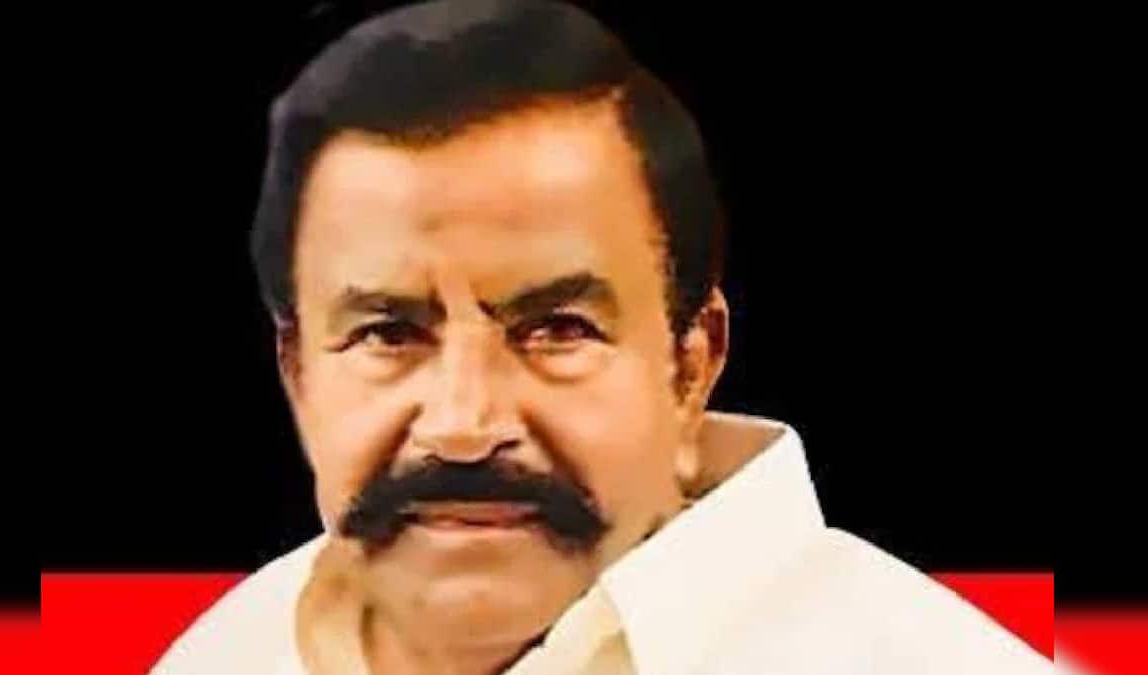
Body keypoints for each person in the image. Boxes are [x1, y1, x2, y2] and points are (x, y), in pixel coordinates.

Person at [154, 1, 1052, 673]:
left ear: (691, 363)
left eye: (556, 329)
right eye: (389, 332)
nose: (463, 425)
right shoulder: (229, 653)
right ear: (298, 371)